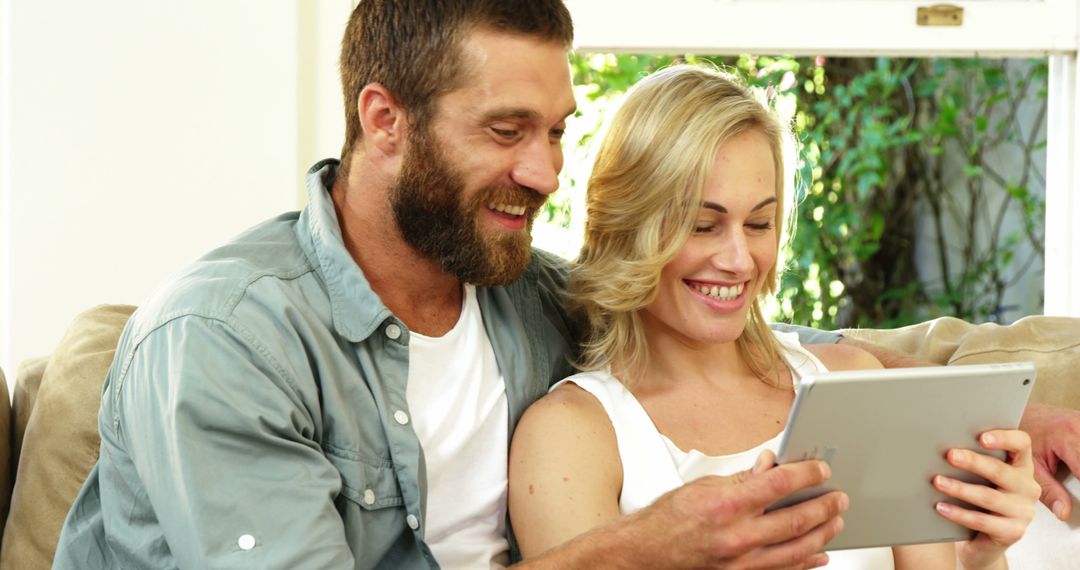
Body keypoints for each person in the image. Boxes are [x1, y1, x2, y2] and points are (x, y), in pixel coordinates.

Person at [50, 1, 1076, 569]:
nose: (544, 174)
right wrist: (641, 552)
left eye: (555, 133)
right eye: (506, 133)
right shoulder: (226, 341)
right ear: (383, 119)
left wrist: (1009, 402)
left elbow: (732, 328)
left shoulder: (518, 291)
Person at [507, 65, 1042, 570]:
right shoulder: (572, 435)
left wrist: (982, 553)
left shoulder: (855, 383)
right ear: (625, 227)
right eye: (702, 225)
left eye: (760, 223)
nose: (740, 260)